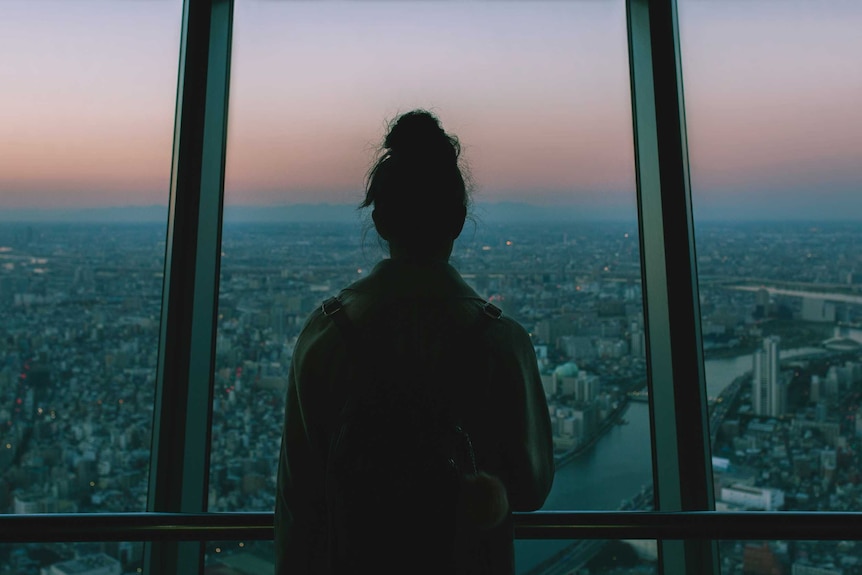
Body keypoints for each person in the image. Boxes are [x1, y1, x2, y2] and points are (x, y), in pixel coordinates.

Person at [275, 109, 554, 574]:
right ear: (459, 221)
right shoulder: (501, 343)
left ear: (381, 222)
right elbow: (532, 488)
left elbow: (298, 501)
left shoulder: (326, 336)